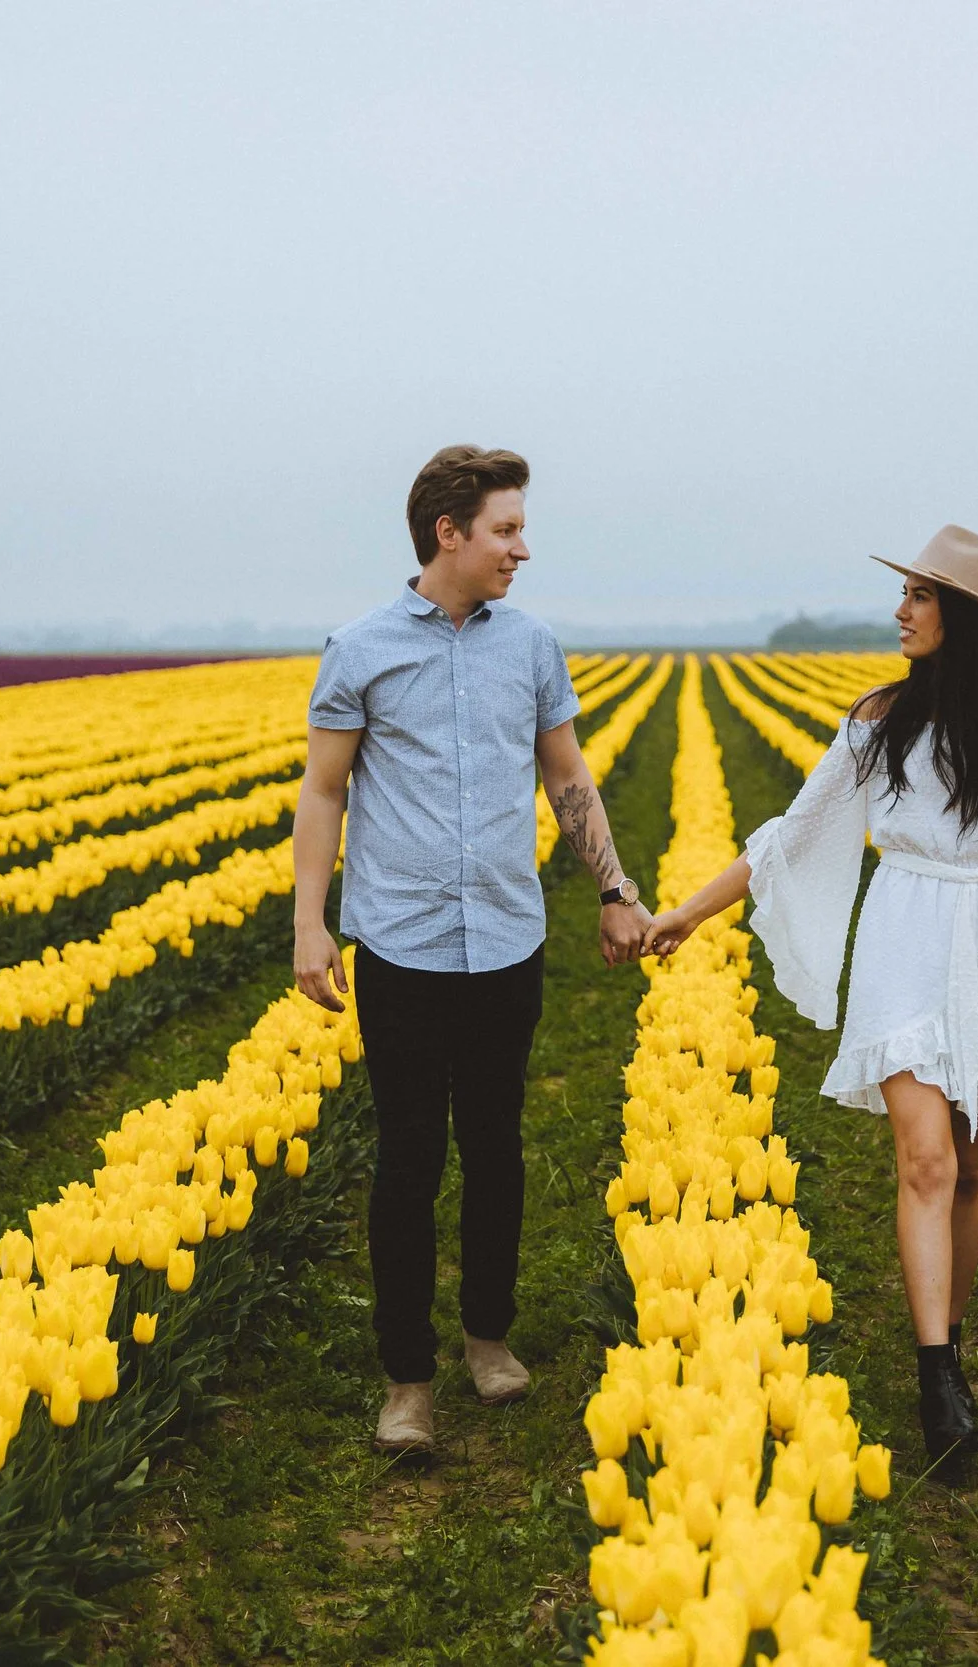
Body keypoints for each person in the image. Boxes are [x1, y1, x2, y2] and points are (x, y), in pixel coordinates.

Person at [644, 525, 978, 1465]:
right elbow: (795, 833)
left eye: (920, 597)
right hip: (905, 937)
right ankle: (937, 1378)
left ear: (962, 618)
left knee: (973, 1166)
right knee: (926, 1159)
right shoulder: (880, 719)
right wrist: (688, 912)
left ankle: (950, 1340)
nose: (900, 611)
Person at [294, 445, 656, 1454]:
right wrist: (309, 922)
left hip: (503, 937)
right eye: (504, 529)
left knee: (495, 1147)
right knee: (408, 1156)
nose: (521, 548)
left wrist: (616, 890)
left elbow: (568, 776)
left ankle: (486, 1337)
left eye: (519, 528)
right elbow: (324, 792)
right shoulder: (359, 648)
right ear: (447, 532)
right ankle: (406, 1377)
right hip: (400, 944)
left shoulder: (530, 646)